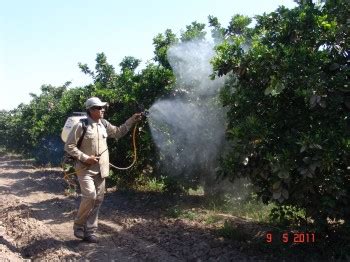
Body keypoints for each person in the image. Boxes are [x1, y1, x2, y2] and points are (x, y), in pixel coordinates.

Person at [64, 97, 142, 243]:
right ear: (91, 110)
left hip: (101, 169)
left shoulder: (104, 124)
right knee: (90, 196)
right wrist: (86, 158)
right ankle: (79, 226)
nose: (103, 110)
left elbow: (118, 132)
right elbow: (69, 146)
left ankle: (90, 232)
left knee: (98, 200)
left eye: (103, 108)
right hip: (85, 169)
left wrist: (132, 120)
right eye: (99, 108)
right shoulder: (81, 125)